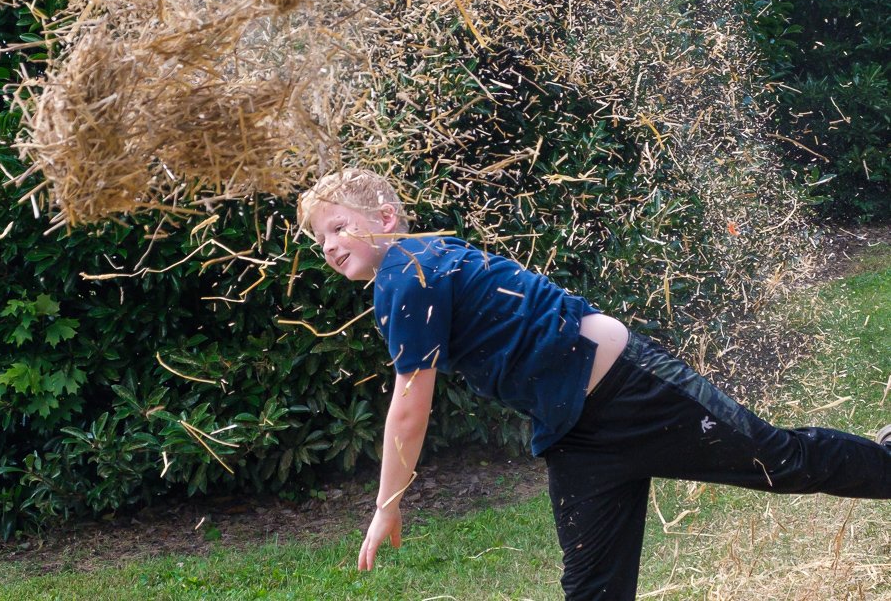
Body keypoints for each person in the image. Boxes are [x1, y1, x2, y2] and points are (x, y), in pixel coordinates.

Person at [296, 167, 891, 600]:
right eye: (319, 239)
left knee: (781, 460)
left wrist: (386, 505)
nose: (327, 244)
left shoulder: (412, 268)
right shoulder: (403, 278)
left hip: (635, 392)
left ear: (385, 218)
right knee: (593, 589)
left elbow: (409, 404)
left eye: (338, 225)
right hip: (576, 437)